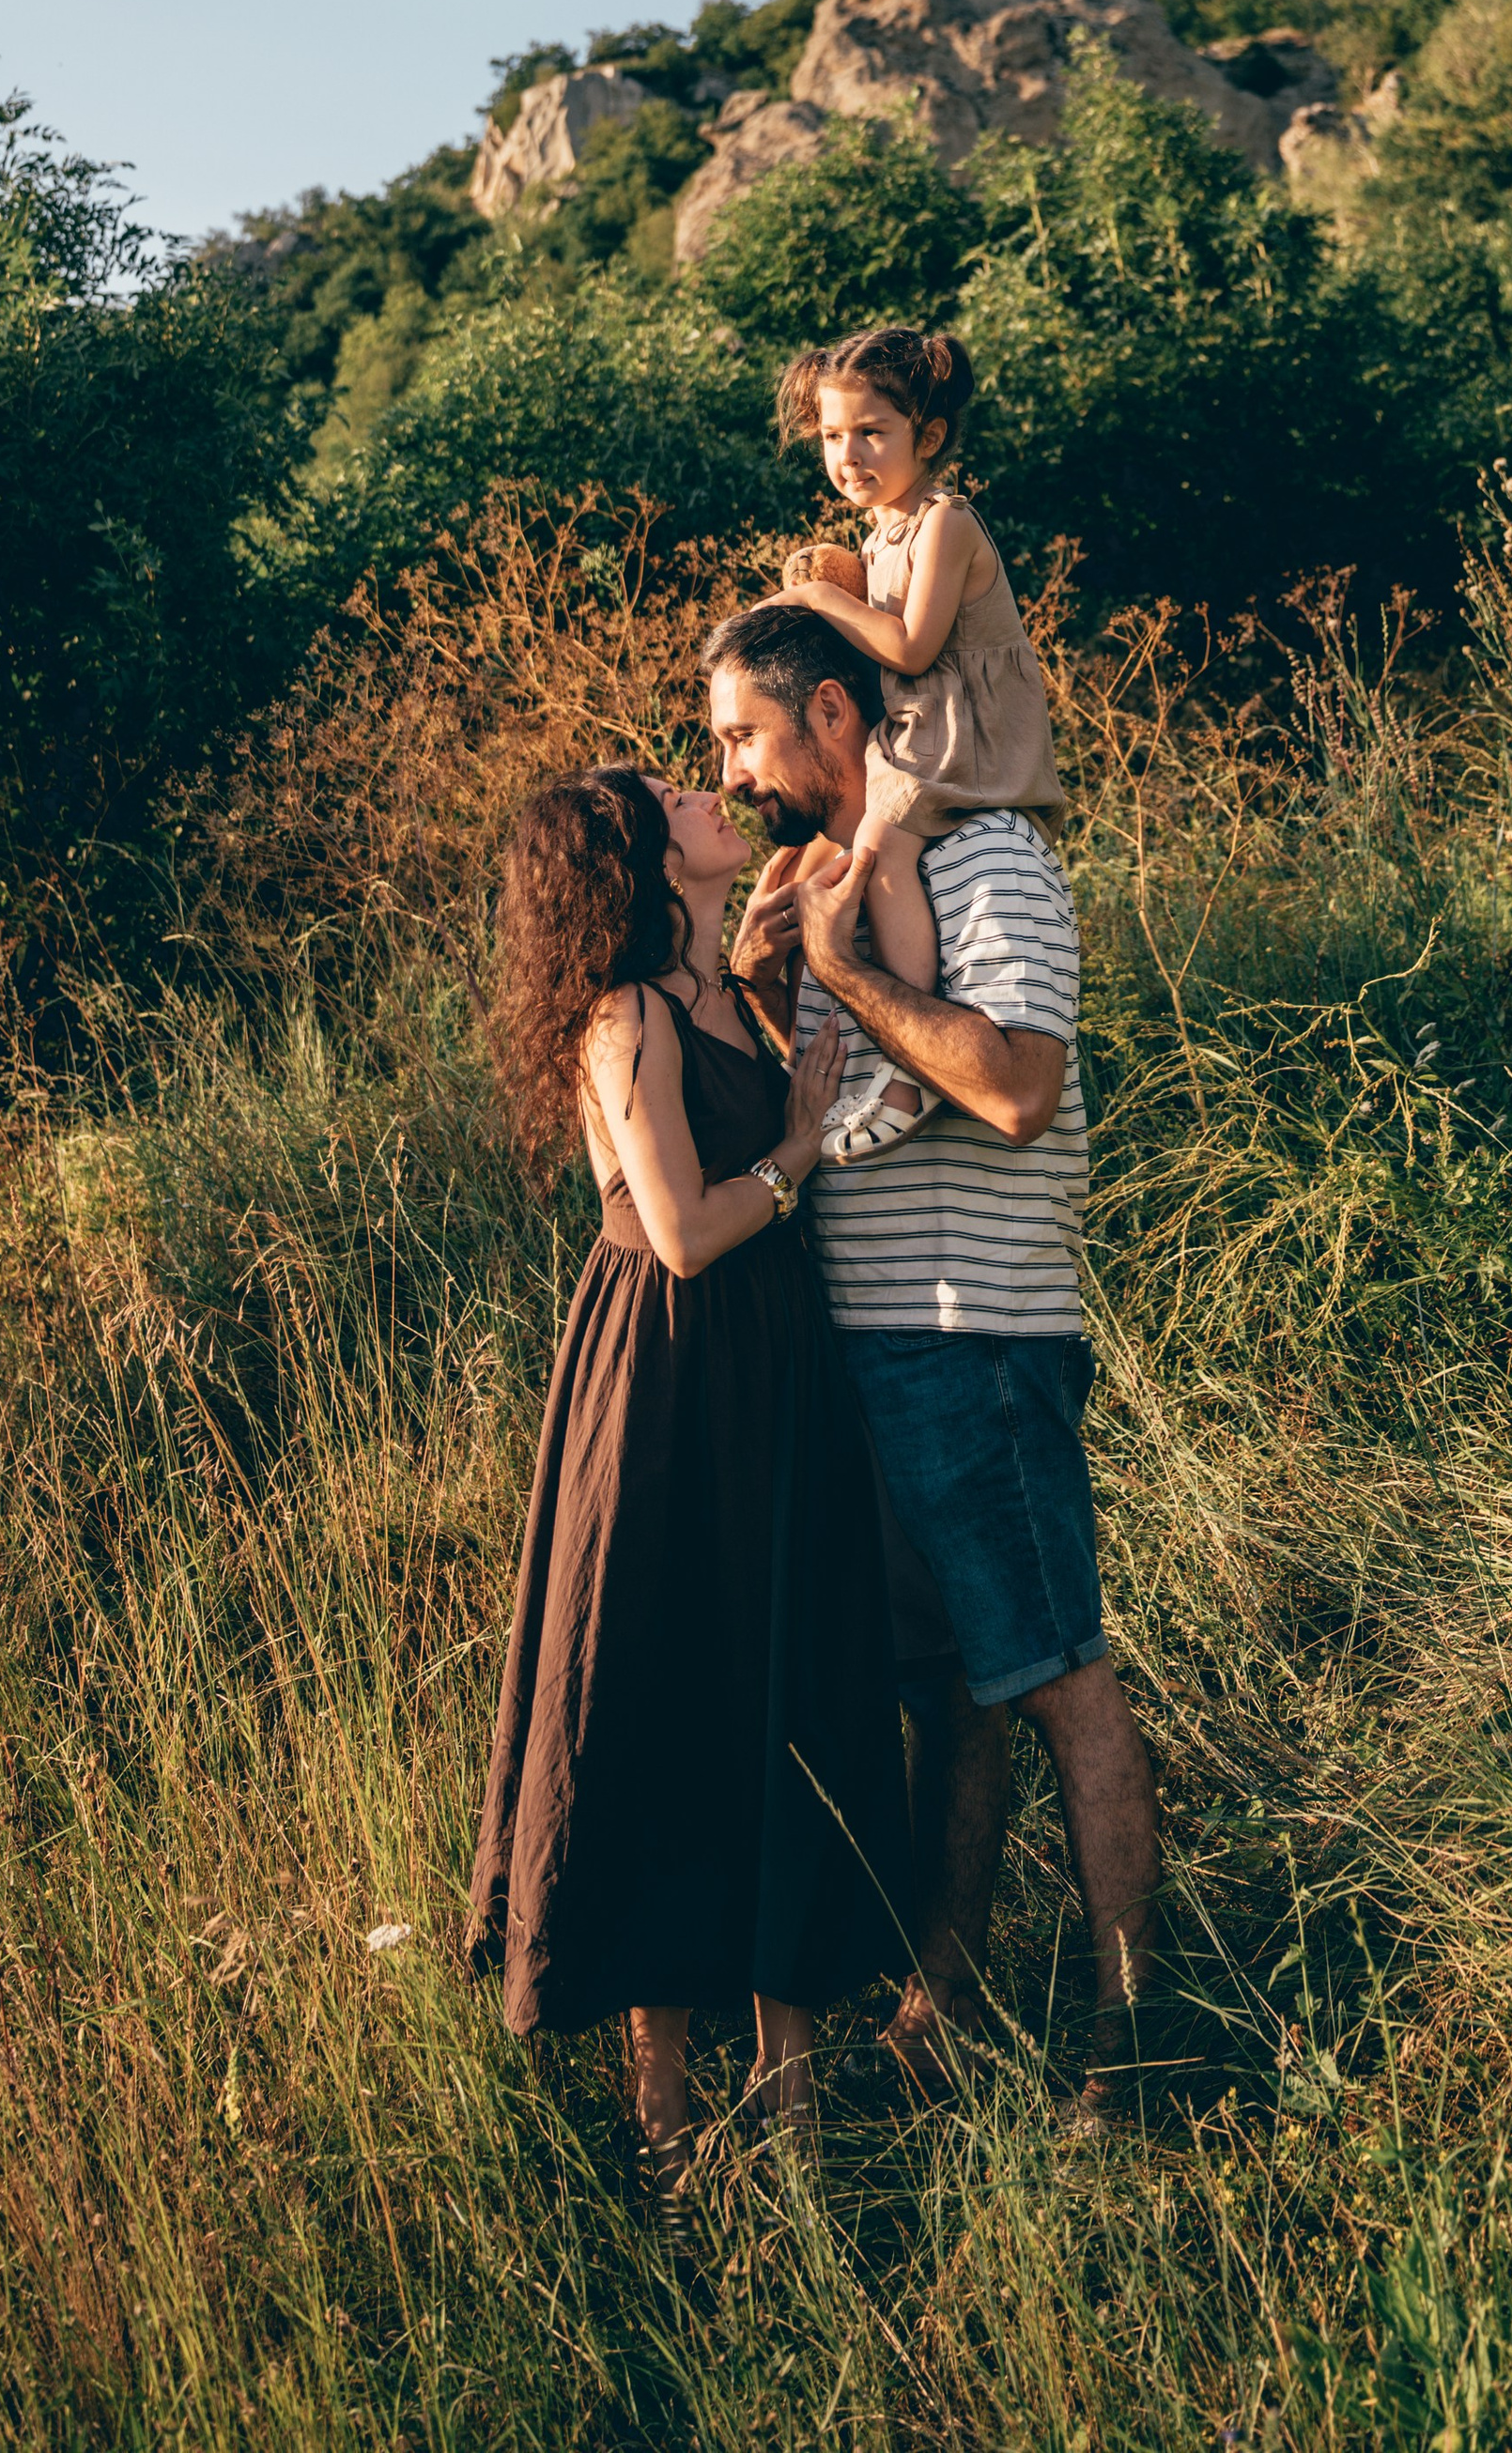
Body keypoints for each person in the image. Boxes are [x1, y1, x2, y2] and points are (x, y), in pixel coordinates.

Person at [704, 603, 1159, 2122]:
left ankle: (1130, 2036)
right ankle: (940, 2003)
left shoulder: (989, 862)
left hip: (978, 1339)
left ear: (835, 718)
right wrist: (786, 987)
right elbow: (858, 1109)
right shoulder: (830, 886)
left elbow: (1017, 1088)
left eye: (745, 736)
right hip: (875, 1344)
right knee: (953, 1693)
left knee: (1058, 1682)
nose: (731, 771)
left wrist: (841, 963)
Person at [463, 766, 911, 2224]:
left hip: (773, 1379)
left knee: (776, 1696)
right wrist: (794, 1148)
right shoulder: (629, 1019)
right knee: (660, 1699)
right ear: (642, 861)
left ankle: (790, 2131)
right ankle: (669, 2142)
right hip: (662, 1390)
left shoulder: (731, 990)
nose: (710, 791)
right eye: (673, 795)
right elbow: (678, 1232)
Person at [768, 325, 1066, 1164]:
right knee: (854, 847)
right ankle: (892, 1046)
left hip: (962, 734)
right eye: (832, 436)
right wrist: (834, 579)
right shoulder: (881, 533)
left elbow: (910, 649)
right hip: (917, 728)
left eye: (871, 432)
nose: (848, 454)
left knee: (882, 855)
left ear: (927, 438)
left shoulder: (946, 523)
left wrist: (822, 602)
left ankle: (916, 1069)